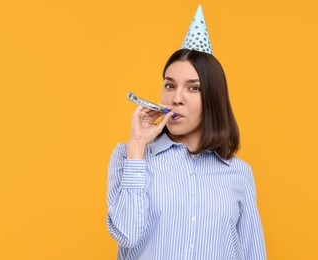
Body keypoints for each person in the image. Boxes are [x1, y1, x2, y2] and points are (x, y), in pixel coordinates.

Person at [106, 5, 267, 260]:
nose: (177, 98)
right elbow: (127, 235)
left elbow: (251, 252)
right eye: (170, 85)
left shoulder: (239, 173)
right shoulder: (128, 157)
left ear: (212, 97)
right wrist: (137, 146)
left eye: (193, 88)